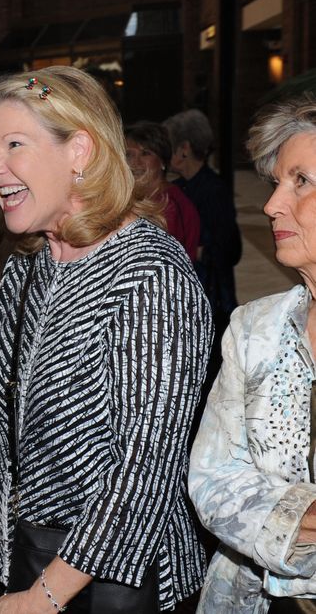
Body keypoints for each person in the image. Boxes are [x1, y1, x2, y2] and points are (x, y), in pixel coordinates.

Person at [0, 67, 213, 613]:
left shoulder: (150, 274)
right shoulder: (28, 264)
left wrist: (41, 599)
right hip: (25, 549)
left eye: (14, 145)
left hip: (120, 578)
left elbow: (141, 472)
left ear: (80, 151)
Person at [189, 96, 316, 612]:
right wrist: (300, 521)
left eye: (301, 181)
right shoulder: (254, 329)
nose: (271, 205)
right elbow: (213, 477)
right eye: (276, 182)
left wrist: (277, 511)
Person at [163, 108, 242, 389]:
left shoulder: (213, 190)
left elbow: (230, 250)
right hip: (190, 301)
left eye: (169, 146)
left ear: (184, 148)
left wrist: (192, 249)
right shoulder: (179, 187)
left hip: (210, 304)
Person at [124, 121, 200, 262]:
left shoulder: (172, 206)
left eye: (145, 154)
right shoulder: (124, 199)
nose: (135, 162)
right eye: (129, 154)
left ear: (163, 161)